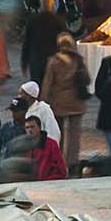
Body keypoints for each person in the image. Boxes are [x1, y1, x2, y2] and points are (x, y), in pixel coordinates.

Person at [40, 33, 87, 164]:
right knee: (74, 134)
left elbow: (47, 83)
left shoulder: (53, 61)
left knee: (58, 132)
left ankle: (58, 159)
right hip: (76, 102)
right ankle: (72, 161)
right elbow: (87, 79)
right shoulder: (78, 60)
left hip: (58, 102)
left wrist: (43, 102)